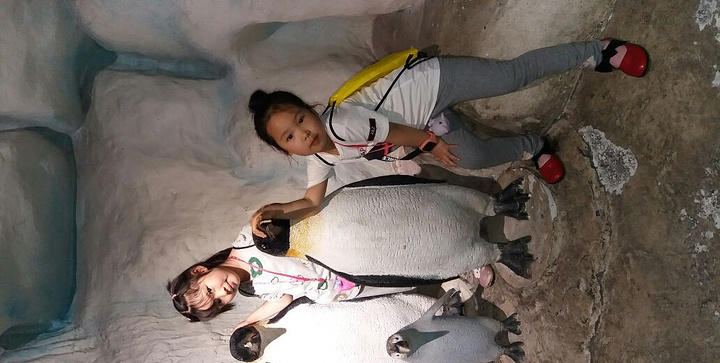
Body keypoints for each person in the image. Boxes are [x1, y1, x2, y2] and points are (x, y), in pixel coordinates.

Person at [248, 38, 647, 228]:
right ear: (287, 151)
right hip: (425, 123)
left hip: (431, 84)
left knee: (511, 76)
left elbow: (396, 132)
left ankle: (598, 52)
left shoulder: (338, 122)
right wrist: (277, 212)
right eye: (289, 137)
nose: (302, 133)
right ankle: (535, 146)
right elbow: (312, 202)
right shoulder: (320, 156)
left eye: (300, 119)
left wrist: (431, 143)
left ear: (310, 110)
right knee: (472, 158)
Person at [167, 225, 413, 327]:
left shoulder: (248, 239)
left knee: (404, 251)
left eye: (210, 290)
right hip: (344, 290)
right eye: (219, 303)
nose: (224, 293)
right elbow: (282, 299)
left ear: (199, 271)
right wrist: (248, 321)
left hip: (348, 257)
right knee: (408, 281)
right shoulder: (256, 288)